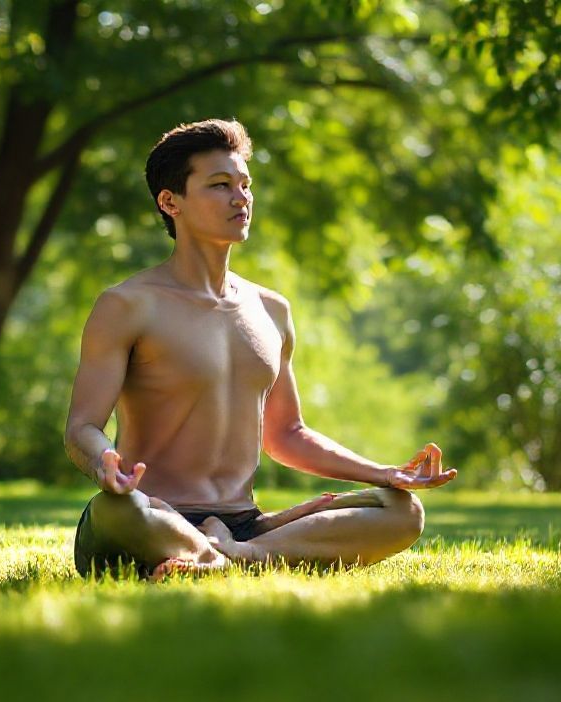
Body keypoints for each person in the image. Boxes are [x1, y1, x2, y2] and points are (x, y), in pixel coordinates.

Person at [64, 118, 456, 580]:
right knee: (116, 510)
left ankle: (228, 557)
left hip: (244, 523)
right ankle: (228, 552)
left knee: (401, 510)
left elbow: (286, 433)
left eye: (245, 185)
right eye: (220, 185)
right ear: (170, 202)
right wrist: (104, 464)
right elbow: (82, 427)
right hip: (152, 513)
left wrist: (385, 473)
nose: (241, 198)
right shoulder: (127, 305)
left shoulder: (271, 309)